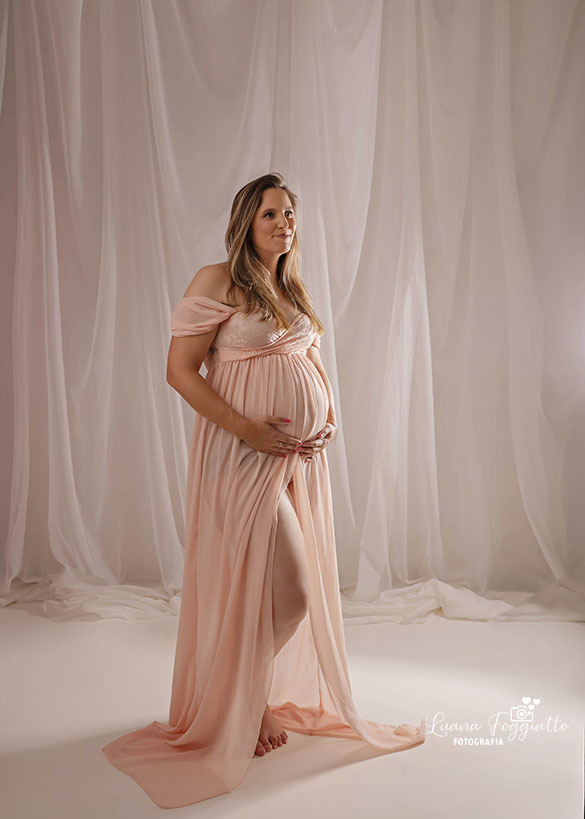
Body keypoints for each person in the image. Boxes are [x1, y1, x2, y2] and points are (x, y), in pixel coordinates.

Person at [102, 173, 425, 809]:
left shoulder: (291, 289)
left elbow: (307, 360)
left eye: (290, 214)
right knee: (293, 593)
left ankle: (244, 698)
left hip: (295, 459)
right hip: (241, 454)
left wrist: (328, 416)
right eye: (271, 213)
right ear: (246, 221)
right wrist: (247, 427)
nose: (284, 224)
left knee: (270, 590)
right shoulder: (217, 279)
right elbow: (179, 371)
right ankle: (244, 704)